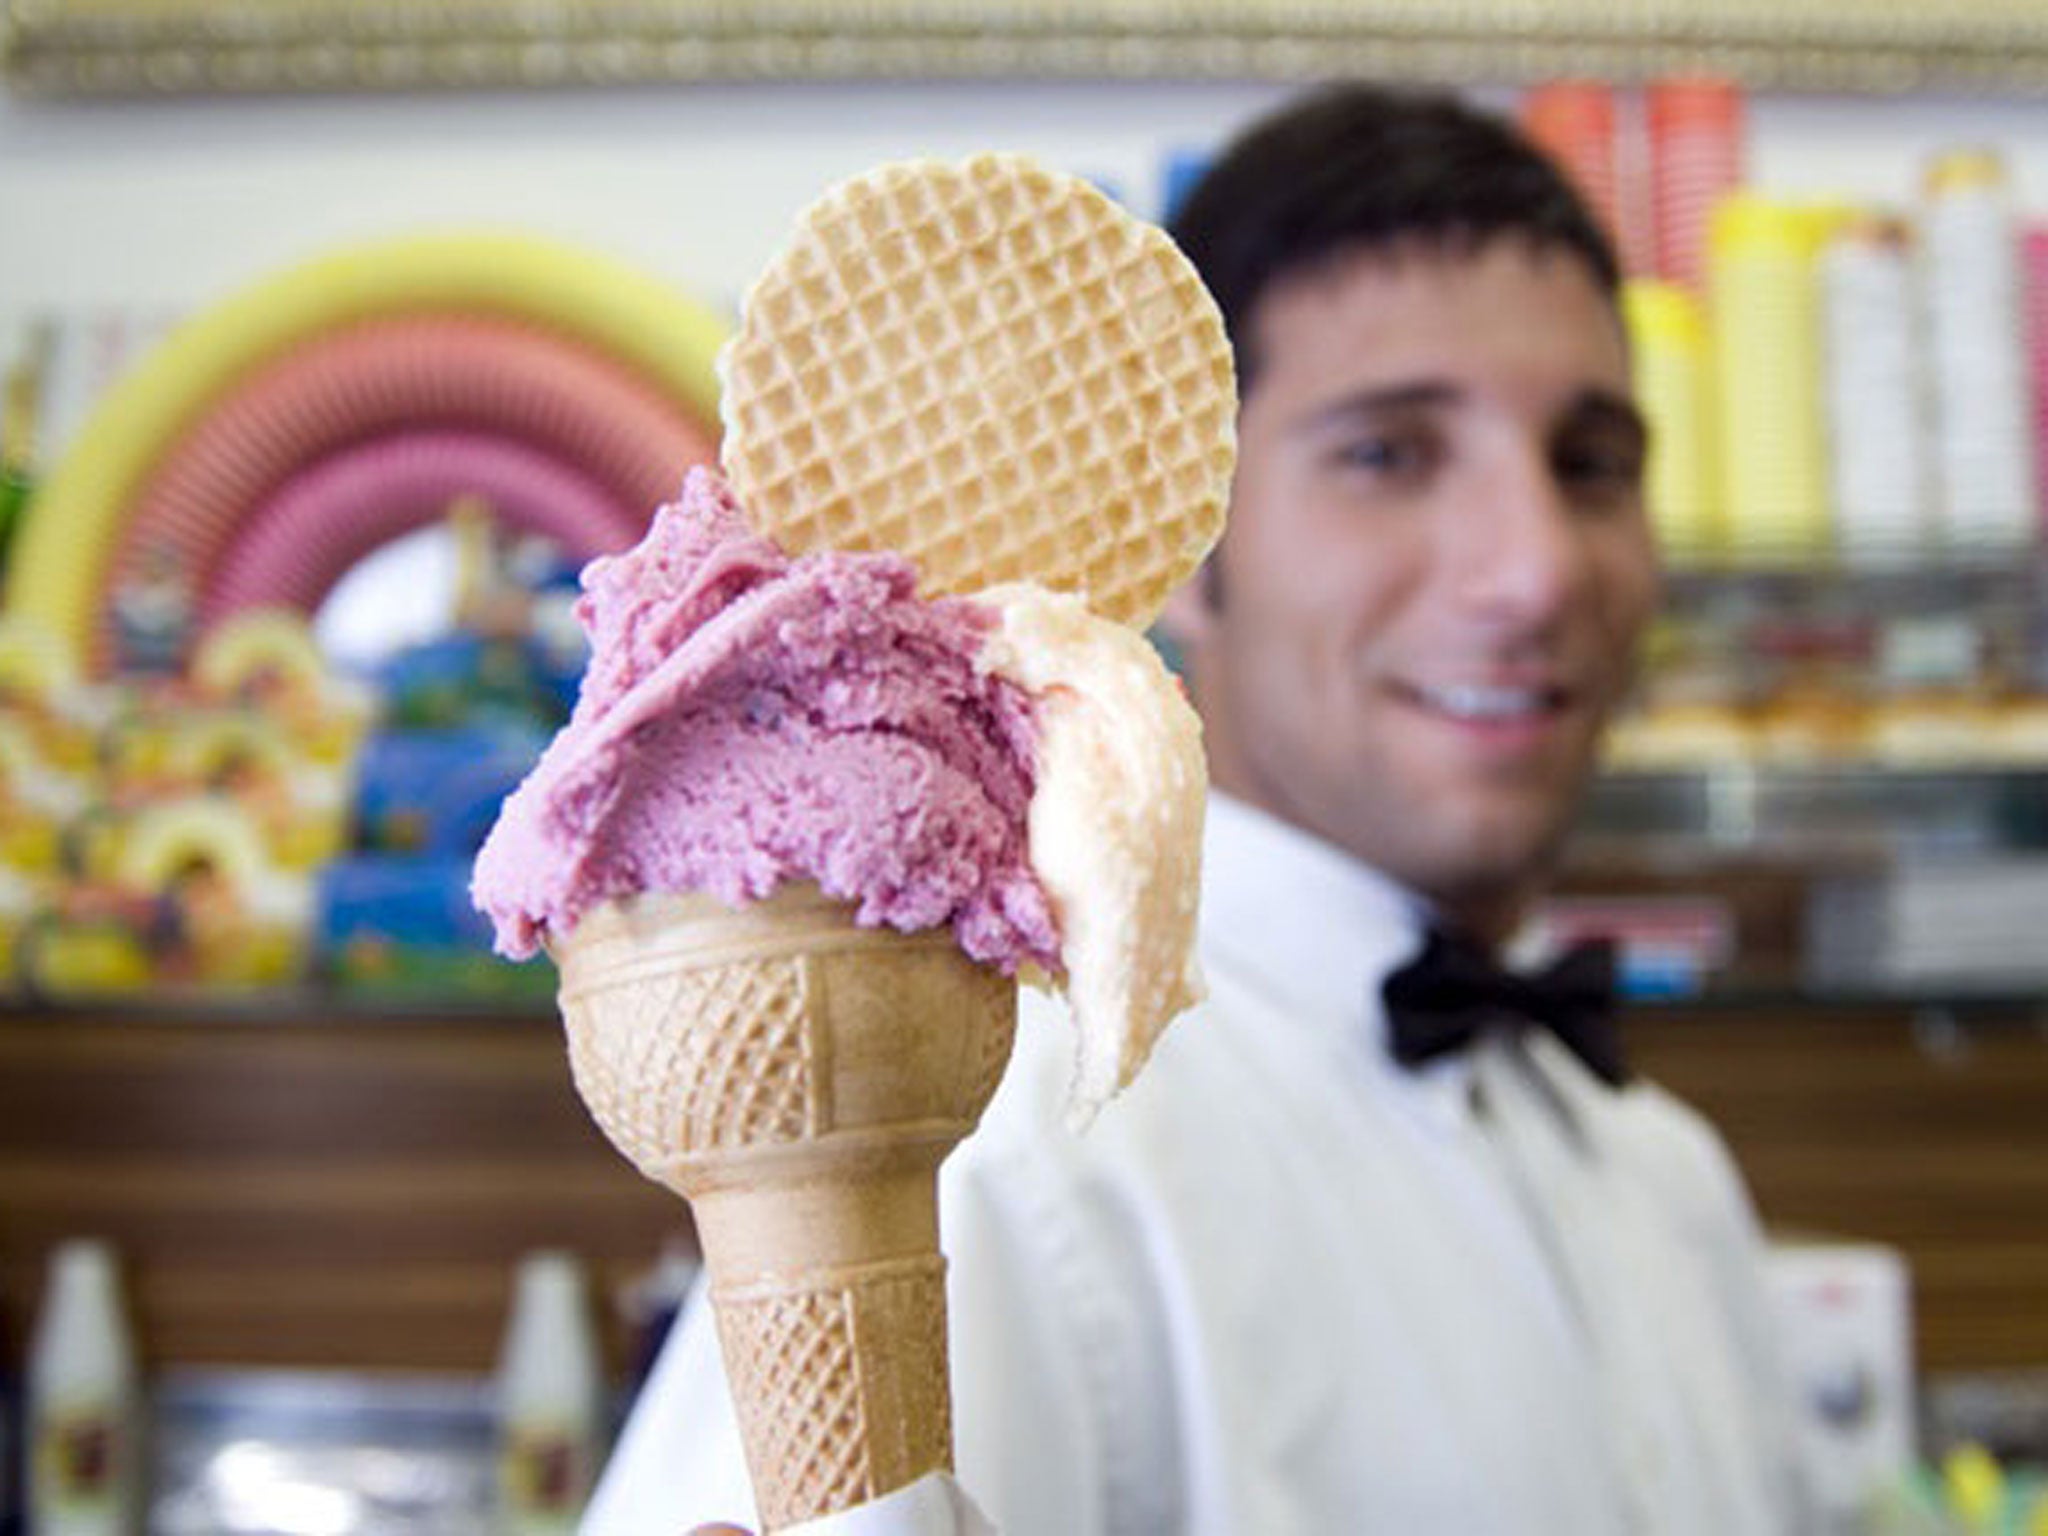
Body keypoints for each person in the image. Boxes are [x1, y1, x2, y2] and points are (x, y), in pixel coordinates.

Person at [587, 83, 1810, 1536]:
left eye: (1593, 464)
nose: (1535, 569)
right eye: (1389, 454)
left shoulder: (1675, 1182)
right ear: (1191, 552)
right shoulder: (995, 1157)